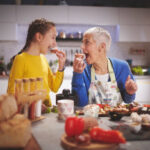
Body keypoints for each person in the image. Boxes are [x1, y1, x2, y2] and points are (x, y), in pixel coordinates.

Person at [72, 27, 137, 107]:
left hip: (115, 118)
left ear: (102, 47)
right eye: (82, 43)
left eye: (87, 42)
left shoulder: (122, 67)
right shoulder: (83, 70)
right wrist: (77, 74)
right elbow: (80, 104)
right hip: (91, 118)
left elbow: (128, 100)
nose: (82, 47)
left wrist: (130, 92)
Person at [7, 18, 66, 106]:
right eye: (53, 38)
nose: (55, 44)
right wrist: (33, 105)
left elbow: (54, 87)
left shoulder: (43, 59)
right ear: (39, 37)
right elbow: (11, 94)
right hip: (29, 115)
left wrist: (61, 67)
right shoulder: (20, 59)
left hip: (46, 113)